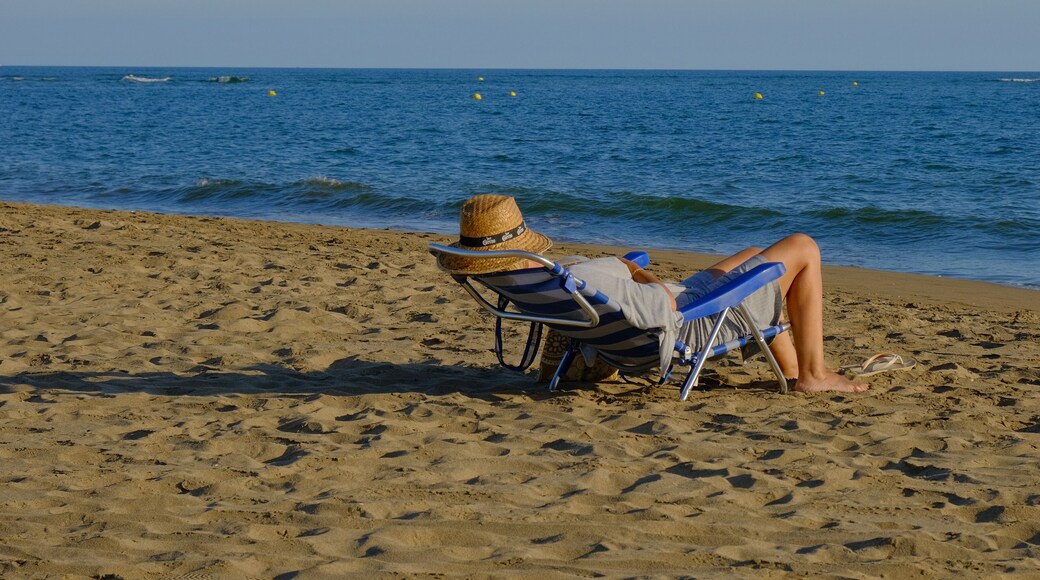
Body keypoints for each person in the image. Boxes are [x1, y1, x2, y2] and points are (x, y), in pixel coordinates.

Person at [437, 194, 868, 394]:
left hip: (647, 322)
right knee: (803, 246)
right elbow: (661, 306)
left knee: (756, 254)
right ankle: (812, 376)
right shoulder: (576, 277)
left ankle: (797, 371)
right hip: (690, 323)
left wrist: (628, 271)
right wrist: (636, 272)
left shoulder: (536, 282)